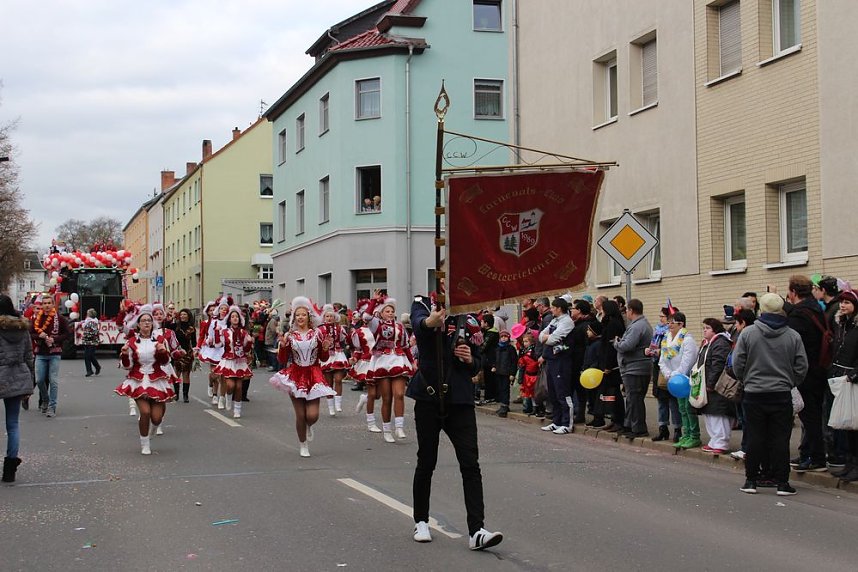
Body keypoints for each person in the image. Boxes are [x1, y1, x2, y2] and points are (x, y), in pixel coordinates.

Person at [407, 295, 503, 551]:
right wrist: (432, 321)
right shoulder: (423, 304)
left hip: (460, 399)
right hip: (428, 397)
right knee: (426, 461)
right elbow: (419, 324)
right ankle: (421, 521)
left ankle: (477, 530)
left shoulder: (469, 316)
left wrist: (470, 359)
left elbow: (478, 362)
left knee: (470, 464)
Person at [733, 293, 808, 495]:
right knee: (780, 439)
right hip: (781, 393)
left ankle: (751, 480)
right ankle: (782, 482)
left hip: (754, 393)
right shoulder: (792, 335)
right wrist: (791, 381)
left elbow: (738, 363)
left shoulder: (748, 334)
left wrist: (746, 380)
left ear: (762, 309)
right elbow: (801, 366)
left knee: (755, 437)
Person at [269, 297, 336, 457]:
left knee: (312, 415)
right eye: (297, 315)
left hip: (314, 376)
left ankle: (308, 425)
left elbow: (324, 358)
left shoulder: (317, 334)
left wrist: (325, 348)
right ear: (294, 317)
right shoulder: (290, 336)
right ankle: (303, 444)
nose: (300, 317)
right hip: (296, 376)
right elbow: (282, 360)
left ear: (309, 317)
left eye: (303, 314)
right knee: (300, 415)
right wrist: (283, 347)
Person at [114, 305, 175, 455]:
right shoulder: (132, 342)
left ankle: (154, 428)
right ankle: (145, 444)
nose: (146, 323)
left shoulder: (160, 339)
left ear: (152, 324)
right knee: (145, 412)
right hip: (139, 380)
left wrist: (162, 352)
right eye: (143, 321)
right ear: (138, 324)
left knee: (156, 418)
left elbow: (165, 362)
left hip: (157, 379)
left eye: (149, 320)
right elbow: (127, 366)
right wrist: (124, 355)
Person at [785, 275, 827, 473]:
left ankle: (816, 457)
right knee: (814, 414)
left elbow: (793, 344)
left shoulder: (799, 315)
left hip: (806, 371)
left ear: (793, 292)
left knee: (809, 416)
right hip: (818, 368)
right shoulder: (816, 308)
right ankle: (807, 452)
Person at [364, 291, 416, 442]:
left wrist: (412, 361)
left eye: (392, 311)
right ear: (381, 313)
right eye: (387, 311)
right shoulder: (376, 325)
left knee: (399, 394)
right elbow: (366, 317)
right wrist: (373, 301)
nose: (390, 313)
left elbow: (405, 346)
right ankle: (387, 430)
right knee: (387, 398)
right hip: (382, 361)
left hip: (398, 360)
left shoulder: (400, 327)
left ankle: (399, 427)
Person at [1, 294, 34, 482]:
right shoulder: (22, 328)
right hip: (18, 376)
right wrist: (31, 381)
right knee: (13, 424)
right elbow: (29, 355)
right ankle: (9, 470)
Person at [829, 289, 858, 481]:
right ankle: (850, 462)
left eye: (847, 302)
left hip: (853, 378)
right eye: (841, 302)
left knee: (855, 424)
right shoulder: (842, 324)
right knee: (847, 424)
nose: (842, 305)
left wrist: (854, 373)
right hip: (841, 378)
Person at [613, 299, 653, 438]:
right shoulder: (640, 324)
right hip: (634, 367)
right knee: (632, 398)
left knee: (635, 399)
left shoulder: (637, 326)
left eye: (627, 310)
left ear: (631, 310)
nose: (626, 313)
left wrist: (617, 343)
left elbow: (627, 345)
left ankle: (639, 428)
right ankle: (629, 425)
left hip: (636, 368)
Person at [693, 318, 734, 454]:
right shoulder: (708, 343)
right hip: (707, 384)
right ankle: (714, 441)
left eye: (708, 328)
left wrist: (710, 383)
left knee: (718, 415)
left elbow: (718, 365)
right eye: (704, 328)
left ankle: (721, 442)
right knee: (710, 414)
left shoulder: (720, 343)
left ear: (715, 330)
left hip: (717, 386)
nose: (704, 330)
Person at [658, 312, 699, 448]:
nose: (669, 325)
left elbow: (687, 361)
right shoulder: (666, 339)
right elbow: (662, 361)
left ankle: (694, 436)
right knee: (681, 408)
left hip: (685, 379)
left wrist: (676, 374)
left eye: (672, 323)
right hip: (674, 380)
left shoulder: (687, 340)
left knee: (688, 408)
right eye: (668, 322)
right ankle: (686, 435)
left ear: (681, 324)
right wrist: (668, 374)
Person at [538, 297, 575, 434]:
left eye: (553, 307)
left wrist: (547, 338)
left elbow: (553, 339)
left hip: (562, 360)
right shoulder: (554, 320)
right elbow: (541, 336)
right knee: (553, 393)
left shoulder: (567, 322)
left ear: (559, 308)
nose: (552, 309)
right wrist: (546, 338)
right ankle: (557, 421)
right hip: (551, 360)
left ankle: (567, 423)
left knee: (562, 392)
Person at [29, 294, 69, 417]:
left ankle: (52, 407)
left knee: (53, 381)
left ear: (53, 304)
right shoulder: (37, 318)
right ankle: (45, 399)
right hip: (40, 353)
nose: (46, 306)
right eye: (44, 303)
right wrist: (39, 336)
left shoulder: (60, 318)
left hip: (54, 353)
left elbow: (67, 334)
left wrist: (55, 339)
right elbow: (30, 333)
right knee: (39, 380)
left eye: (49, 303)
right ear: (42, 305)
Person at [649, 306, 681, 442]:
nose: (661, 319)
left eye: (663, 317)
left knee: (673, 401)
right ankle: (663, 428)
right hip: (659, 367)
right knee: (661, 399)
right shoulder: (658, 331)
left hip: (671, 369)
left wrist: (660, 352)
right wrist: (650, 351)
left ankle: (677, 429)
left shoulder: (676, 334)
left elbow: (675, 351)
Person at [594, 300, 625, 431]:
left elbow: (611, 347)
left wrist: (608, 366)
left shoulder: (614, 324)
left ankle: (619, 419)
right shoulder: (610, 322)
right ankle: (613, 418)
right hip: (607, 363)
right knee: (610, 393)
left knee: (615, 392)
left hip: (612, 365)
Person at [320, 305, 350, 417]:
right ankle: (331, 407)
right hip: (326, 356)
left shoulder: (339, 328)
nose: (329, 318)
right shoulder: (320, 329)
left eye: (331, 316)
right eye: (327, 316)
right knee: (328, 384)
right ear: (324, 317)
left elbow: (343, 339)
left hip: (337, 355)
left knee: (338, 379)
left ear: (335, 317)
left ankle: (338, 404)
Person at [172, 308, 196, 403]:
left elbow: (194, 342)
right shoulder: (175, 326)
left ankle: (185, 395)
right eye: (181, 314)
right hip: (177, 352)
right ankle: (176, 394)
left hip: (187, 353)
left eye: (184, 314)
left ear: (188, 316)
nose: (182, 316)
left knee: (186, 374)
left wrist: (195, 352)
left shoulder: (191, 328)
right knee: (176, 374)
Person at [492, 330, 518, 418]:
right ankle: (502, 405)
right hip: (499, 371)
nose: (503, 338)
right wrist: (494, 366)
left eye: (505, 337)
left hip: (507, 372)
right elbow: (495, 359)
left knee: (505, 389)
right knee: (500, 389)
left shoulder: (511, 349)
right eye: (502, 337)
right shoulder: (497, 348)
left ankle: (505, 405)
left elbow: (514, 362)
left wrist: (512, 373)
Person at [81, 308, 101, 377]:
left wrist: (87, 335)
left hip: (92, 341)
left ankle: (91, 370)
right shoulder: (87, 321)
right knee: (88, 356)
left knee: (88, 356)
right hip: (87, 340)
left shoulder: (92, 322)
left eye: (87, 313)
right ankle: (93, 369)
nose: (86, 314)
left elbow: (93, 331)